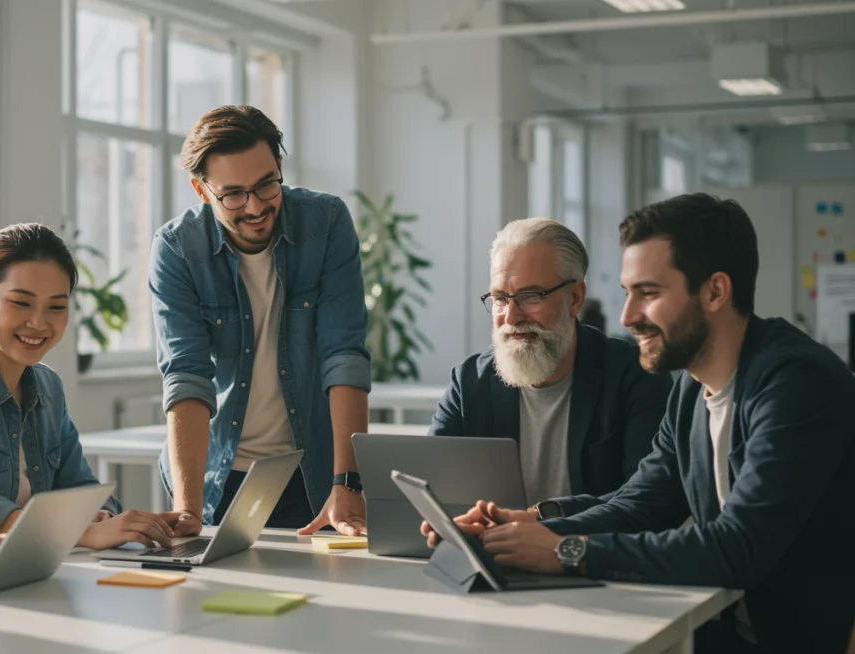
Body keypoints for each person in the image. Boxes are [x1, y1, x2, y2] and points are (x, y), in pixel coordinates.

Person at [423, 194, 855, 652]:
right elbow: (641, 505)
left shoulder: (796, 382)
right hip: (724, 633)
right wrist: (527, 527)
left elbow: (737, 549)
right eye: (628, 293)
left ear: (714, 291)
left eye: (648, 293)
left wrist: (566, 551)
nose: (628, 317)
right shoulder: (694, 387)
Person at [149, 105, 371, 537]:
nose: (255, 207)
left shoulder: (325, 224)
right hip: (216, 475)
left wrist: (348, 482)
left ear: (280, 165)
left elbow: (343, 355)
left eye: (267, 185)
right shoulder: (177, 249)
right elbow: (186, 375)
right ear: (201, 189)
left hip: (315, 473)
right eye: (232, 194)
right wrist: (188, 509)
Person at [0, 223, 177, 550]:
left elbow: (80, 488)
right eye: (21, 303)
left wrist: (108, 518)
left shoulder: (47, 385)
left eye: (56, 307)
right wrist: (83, 533)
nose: (39, 323)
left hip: (35, 566)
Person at [431, 218, 672, 518]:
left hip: (593, 559)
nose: (511, 317)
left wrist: (538, 521)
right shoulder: (469, 383)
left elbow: (648, 501)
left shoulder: (634, 375)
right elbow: (431, 491)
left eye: (530, 296)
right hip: (490, 558)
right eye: (500, 299)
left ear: (575, 298)